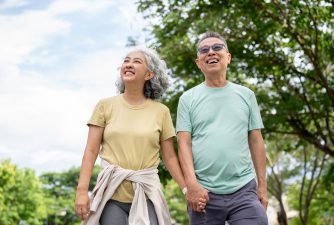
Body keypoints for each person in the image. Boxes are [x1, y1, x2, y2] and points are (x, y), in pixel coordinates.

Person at [74, 47, 205, 225]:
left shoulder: (161, 112)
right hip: (111, 196)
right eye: (126, 60)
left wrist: (186, 189)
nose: (128, 64)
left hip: (147, 193)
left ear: (149, 74)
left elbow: (169, 157)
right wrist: (82, 191)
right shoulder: (105, 106)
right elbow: (90, 151)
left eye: (136, 61)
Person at [176, 31, 268, 225]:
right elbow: (184, 143)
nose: (211, 52)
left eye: (217, 48)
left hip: (244, 189)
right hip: (204, 193)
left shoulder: (247, 95)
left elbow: (256, 140)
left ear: (228, 57)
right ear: (198, 62)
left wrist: (262, 186)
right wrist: (191, 185)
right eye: (204, 50)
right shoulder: (187, 99)